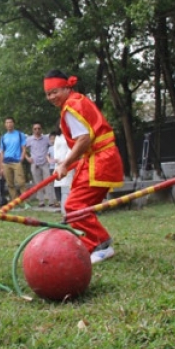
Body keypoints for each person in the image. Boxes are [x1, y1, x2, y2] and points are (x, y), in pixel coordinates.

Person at [44, 70, 124, 264]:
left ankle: (101, 244)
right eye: (48, 94)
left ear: (66, 87)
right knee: (79, 206)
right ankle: (91, 243)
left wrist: (65, 163)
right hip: (97, 158)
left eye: (55, 92)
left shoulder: (71, 106)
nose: (51, 97)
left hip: (100, 160)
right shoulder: (77, 101)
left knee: (74, 206)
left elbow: (84, 139)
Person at [25, 122, 57, 208]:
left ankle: (51, 201)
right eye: (35, 129)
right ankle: (41, 202)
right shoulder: (29, 139)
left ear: (41, 129)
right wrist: (27, 157)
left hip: (45, 163)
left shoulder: (46, 138)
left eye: (39, 128)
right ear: (33, 130)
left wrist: (51, 158)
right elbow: (23, 148)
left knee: (48, 182)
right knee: (37, 183)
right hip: (34, 163)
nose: (37, 130)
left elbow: (53, 146)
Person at [0, 117, 28, 205]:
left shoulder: (20, 134)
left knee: (21, 182)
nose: (9, 124)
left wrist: (22, 158)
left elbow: (24, 148)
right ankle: (15, 202)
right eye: (7, 123)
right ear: (5, 125)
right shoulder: (3, 137)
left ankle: (25, 201)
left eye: (10, 122)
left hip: (16, 161)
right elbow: (2, 151)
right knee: (10, 183)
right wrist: (2, 164)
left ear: (13, 123)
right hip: (6, 162)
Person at [49, 128, 73, 215]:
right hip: (58, 164)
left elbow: (71, 148)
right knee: (63, 187)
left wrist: (66, 161)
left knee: (68, 186)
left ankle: (69, 210)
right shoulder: (58, 137)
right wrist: (57, 160)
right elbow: (56, 149)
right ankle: (64, 210)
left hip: (68, 163)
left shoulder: (71, 135)